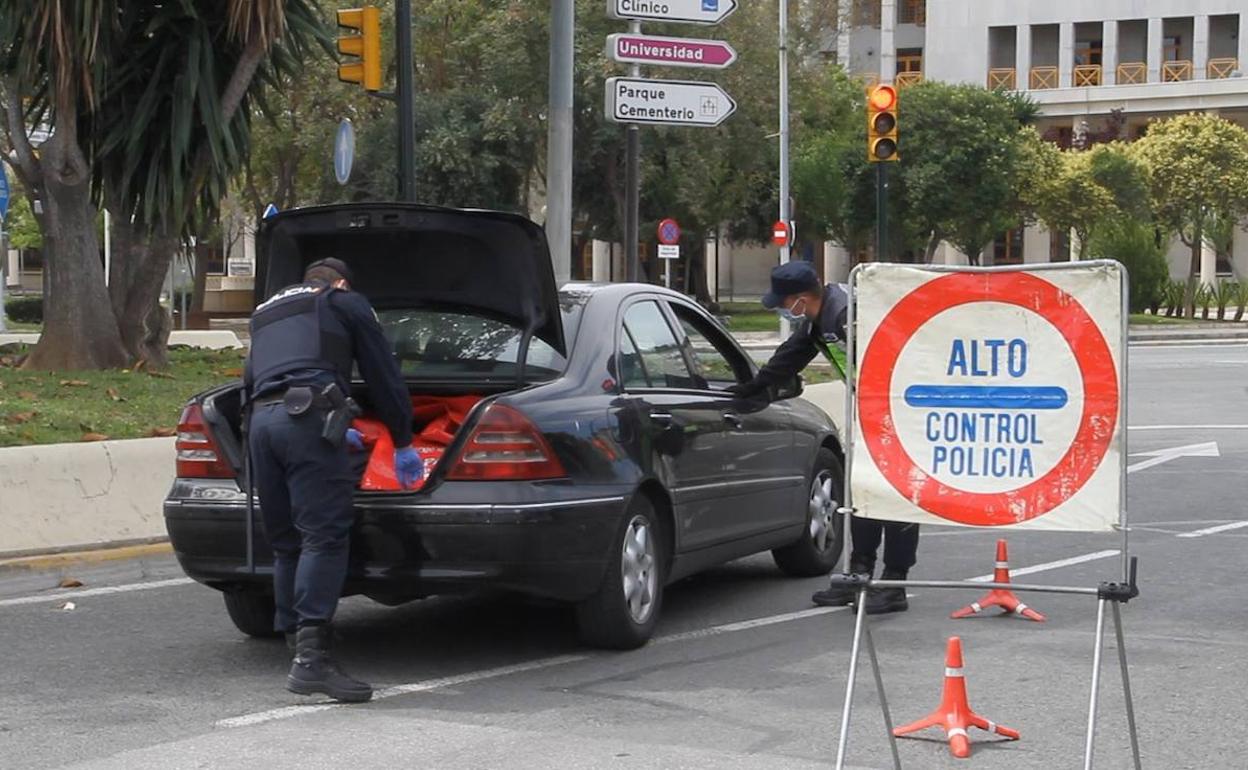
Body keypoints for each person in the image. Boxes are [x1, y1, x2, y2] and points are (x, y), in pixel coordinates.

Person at [244, 257, 424, 703]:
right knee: (323, 537)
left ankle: (295, 641)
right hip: (307, 421)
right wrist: (402, 438)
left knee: (287, 540)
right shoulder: (344, 301)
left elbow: (250, 380)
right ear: (340, 282)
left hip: (260, 425)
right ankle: (312, 663)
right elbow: (382, 372)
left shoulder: (267, 312)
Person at [728, 261, 918, 615]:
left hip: (898, 410)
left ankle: (894, 582)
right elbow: (791, 357)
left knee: (893, 493)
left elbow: (890, 357)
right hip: (873, 411)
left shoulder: (847, 315)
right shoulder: (820, 318)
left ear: (801, 299)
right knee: (862, 490)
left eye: (784, 303)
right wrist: (752, 388)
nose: (784, 309)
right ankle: (859, 576)